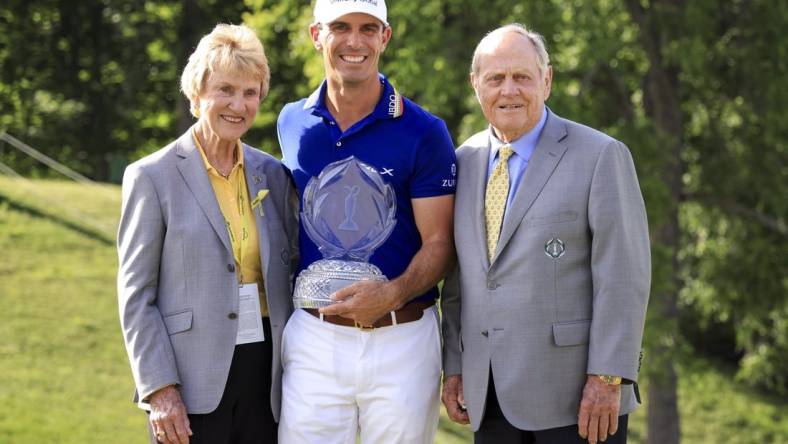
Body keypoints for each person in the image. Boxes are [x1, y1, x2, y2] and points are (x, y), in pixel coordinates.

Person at [440, 24, 651, 444]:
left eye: (522, 76)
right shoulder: (460, 163)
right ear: (475, 85)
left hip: (577, 398)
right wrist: (456, 365)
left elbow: (623, 277)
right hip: (489, 396)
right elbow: (459, 281)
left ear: (547, 80)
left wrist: (609, 376)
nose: (509, 90)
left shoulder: (601, 156)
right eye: (496, 78)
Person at [275, 1, 457, 443]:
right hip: (314, 338)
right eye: (341, 27)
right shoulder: (292, 121)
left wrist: (392, 293)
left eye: (368, 28)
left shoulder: (425, 132)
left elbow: (440, 243)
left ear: (385, 37)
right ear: (317, 35)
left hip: (403, 339)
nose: (354, 41)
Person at [117, 24, 297, 444]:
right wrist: (160, 389)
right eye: (225, 90)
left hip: (267, 381)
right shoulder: (151, 176)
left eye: (250, 93)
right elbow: (135, 296)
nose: (238, 104)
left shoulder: (273, 173)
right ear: (197, 95)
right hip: (190, 385)